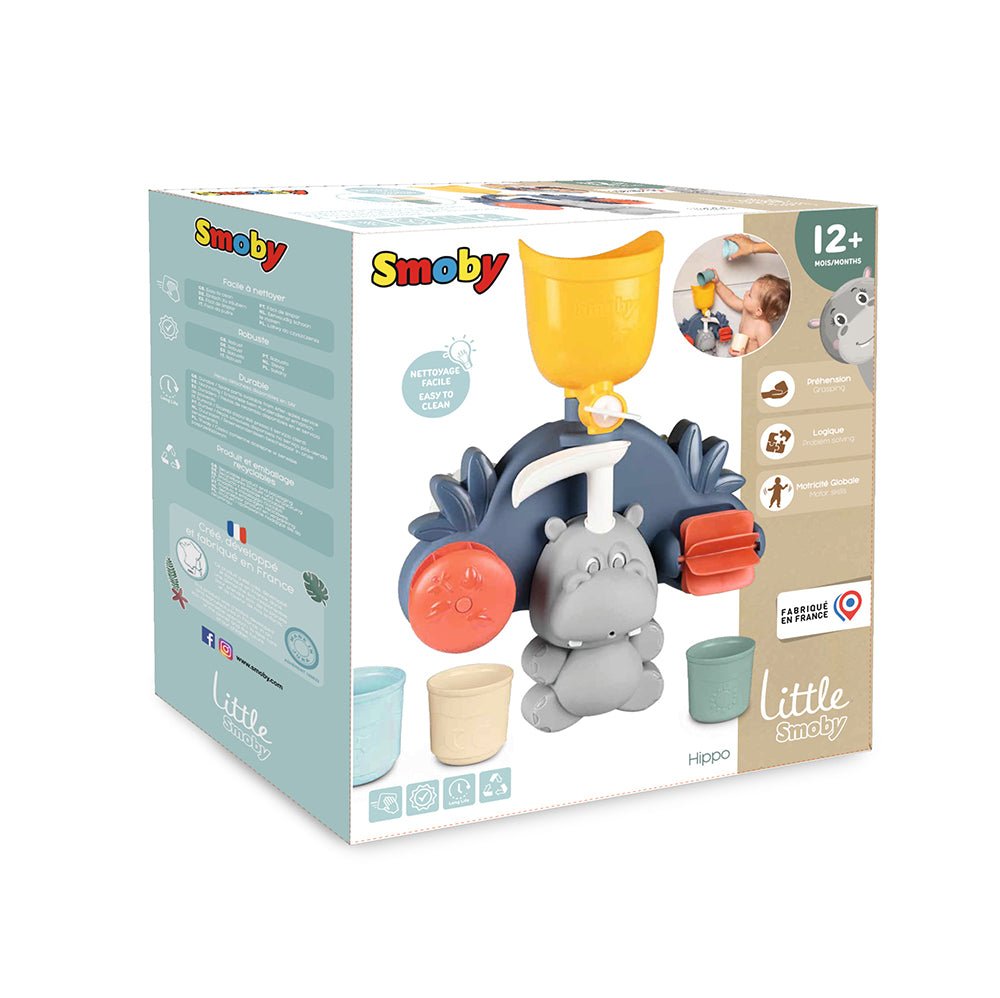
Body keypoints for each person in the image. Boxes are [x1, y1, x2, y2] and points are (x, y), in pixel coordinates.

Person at [713, 273, 790, 355]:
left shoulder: (763, 329)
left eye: (750, 295)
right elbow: (731, 298)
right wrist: (718, 283)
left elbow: (766, 355)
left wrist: (744, 356)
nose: (746, 292)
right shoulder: (747, 309)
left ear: (758, 311)